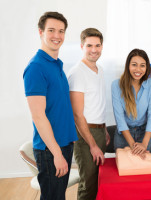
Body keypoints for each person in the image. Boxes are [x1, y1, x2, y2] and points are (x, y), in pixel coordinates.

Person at [23, 11, 78, 200]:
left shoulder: (56, 64)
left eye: (61, 31)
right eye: (51, 30)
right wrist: (56, 153)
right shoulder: (36, 67)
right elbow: (38, 116)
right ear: (40, 32)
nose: (57, 36)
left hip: (64, 143)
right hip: (51, 149)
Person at [67, 28, 110, 200]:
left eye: (98, 45)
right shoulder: (77, 73)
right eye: (89, 45)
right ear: (81, 46)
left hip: (99, 131)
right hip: (85, 135)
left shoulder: (100, 70)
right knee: (88, 184)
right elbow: (77, 115)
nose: (94, 49)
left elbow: (97, 104)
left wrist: (104, 128)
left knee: (98, 180)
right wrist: (92, 145)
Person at [112, 49, 151, 156]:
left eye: (142, 65)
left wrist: (144, 144)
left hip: (145, 135)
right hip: (124, 135)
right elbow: (119, 118)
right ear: (128, 66)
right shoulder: (116, 85)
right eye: (134, 65)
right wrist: (133, 145)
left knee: (145, 170)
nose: (138, 69)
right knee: (125, 169)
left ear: (146, 67)